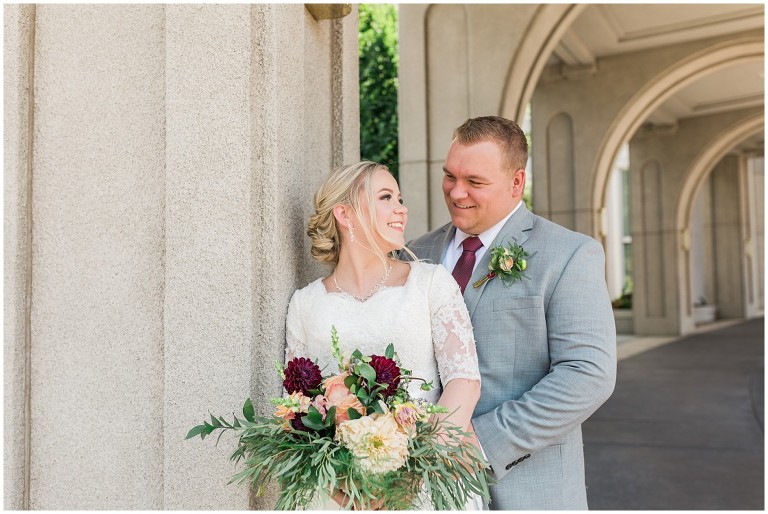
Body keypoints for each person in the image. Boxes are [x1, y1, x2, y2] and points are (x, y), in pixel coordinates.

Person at [406, 116, 617, 510]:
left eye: (475, 182)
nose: (456, 192)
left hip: (528, 491)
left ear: (516, 182)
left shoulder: (569, 254)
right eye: (449, 176)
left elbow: (588, 374)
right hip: (421, 491)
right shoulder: (416, 253)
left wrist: (479, 442)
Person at [285, 161, 485, 510]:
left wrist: (415, 464)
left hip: (424, 480)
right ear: (345, 214)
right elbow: (296, 407)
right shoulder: (305, 304)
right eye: (385, 197)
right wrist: (338, 481)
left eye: (400, 198)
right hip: (338, 490)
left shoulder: (430, 283)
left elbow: (464, 381)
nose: (401, 208)